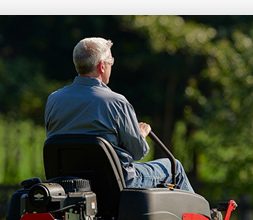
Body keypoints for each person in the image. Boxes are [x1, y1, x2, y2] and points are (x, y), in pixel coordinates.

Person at [45, 37, 194, 192]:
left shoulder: (54, 100)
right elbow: (138, 152)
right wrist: (141, 134)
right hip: (115, 182)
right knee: (173, 167)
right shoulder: (115, 102)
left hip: (66, 183)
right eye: (111, 62)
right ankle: (204, 215)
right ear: (102, 66)